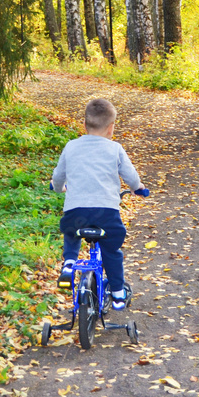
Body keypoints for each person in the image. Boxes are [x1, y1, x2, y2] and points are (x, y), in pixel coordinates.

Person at [51, 98, 148, 310]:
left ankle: (69, 263)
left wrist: (59, 188)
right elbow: (131, 176)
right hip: (107, 215)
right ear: (111, 128)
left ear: (84, 125)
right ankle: (118, 294)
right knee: (112, 250)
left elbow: (58, 176)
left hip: (76, 213)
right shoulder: (115, 149)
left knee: (71, 231)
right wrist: (138, 187)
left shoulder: (71, 146)